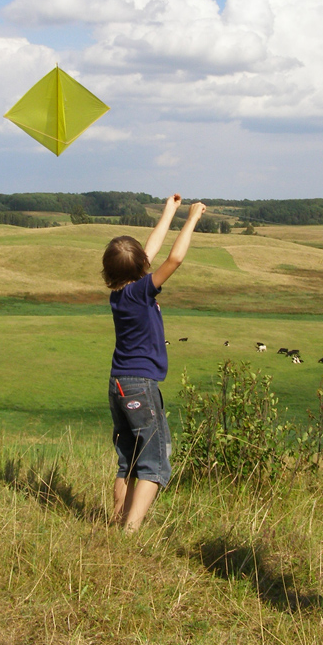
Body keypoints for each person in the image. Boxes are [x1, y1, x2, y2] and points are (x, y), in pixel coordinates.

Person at [102, 194, 207, 532]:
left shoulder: (119, 294)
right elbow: (174, 258)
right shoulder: (141, 292)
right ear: (141, 269)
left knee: (128, 462)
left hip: (117, 383)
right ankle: (130, 533)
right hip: (140, 386)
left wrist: (169, 211)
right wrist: (191, 219)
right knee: (154, 464)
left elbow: (149, 252)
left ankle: (116, 521)